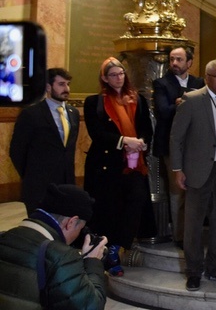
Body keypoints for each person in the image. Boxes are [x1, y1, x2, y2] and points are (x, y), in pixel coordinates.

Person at [169, 60, 216, 292]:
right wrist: (178, 169)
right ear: (207, 77)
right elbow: (176, 138)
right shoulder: (191, 100)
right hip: (198, 169)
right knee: (193, 223)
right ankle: (194, 271)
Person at [84, 57, 155, 277]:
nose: (118, 78)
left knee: (137, 199)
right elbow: (97, 134)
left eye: (121, 74)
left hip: (134, 164)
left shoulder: (138, 100)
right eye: (113, 75)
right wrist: (124, 141)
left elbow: (146, 129)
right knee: (109, 208)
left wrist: (141, 142)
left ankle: (117, 245)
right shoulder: (94, 102)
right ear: (104, 78)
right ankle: (106, 251)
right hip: (107, 165)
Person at [0, 184, 107, 309]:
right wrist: (92, 261)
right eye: (80, 228)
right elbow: (91, 306)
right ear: (71, 222)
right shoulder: (60, 256)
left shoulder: (4, 236)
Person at [152, 46, 204, 247]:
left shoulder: (198, 82)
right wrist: (185, 103)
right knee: (177, 192)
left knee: (195, 190)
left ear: (189, 62)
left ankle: (193, 231)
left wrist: (182, 102)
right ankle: (180, 236)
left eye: (179, 59)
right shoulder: (161, 83)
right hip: (171, 146)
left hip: (195, 145)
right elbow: (164, 111)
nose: (174, 63)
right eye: (172, 59)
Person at [10, 68, 79, 215]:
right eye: (61, 84)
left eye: (68, 84)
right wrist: (32, 175)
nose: (66, 89)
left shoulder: (74, 114)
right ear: (48, 87)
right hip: (39, 186)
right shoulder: (31, 114)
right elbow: (17, 151)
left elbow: (68, 150)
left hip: (66, 184)